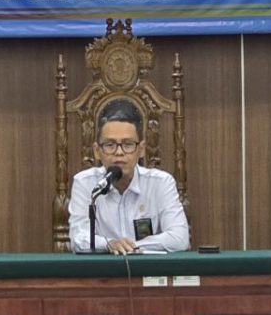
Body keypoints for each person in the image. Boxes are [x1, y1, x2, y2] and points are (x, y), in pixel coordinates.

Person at [69, 98, 190, 254]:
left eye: (127, 144)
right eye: (110, 145)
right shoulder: (86, 184)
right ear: (97, 151)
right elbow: (78, 238)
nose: (119, 152)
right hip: (102, 275)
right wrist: (109, 244)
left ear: (141, 149)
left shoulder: (160, 183)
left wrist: (132, 247)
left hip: (148, 274)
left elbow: (179, 238)